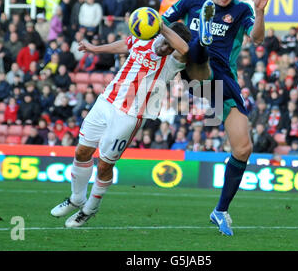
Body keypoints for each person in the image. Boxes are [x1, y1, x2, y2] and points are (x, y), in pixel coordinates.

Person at [50, 21, 192, 227]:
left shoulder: (174, 59)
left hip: (130, 114)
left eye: (171, 45)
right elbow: (125, 44)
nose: (167, 48)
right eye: (165, 42)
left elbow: (184, 49)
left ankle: (90, 208)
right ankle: (76, 198)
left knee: (105, 164)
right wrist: (94, 49)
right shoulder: (144, 39)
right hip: (106, 101)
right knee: (81, 152)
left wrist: (162, 28)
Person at [162, 0, 270, 235]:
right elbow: (161, 23)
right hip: (194, 69)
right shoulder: (192, 1)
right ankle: (202, 42)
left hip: (225, 81)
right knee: (199, 60)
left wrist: (259, 11)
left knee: (243, 148)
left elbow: (257, 38)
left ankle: (220, 210)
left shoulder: (242, 10)